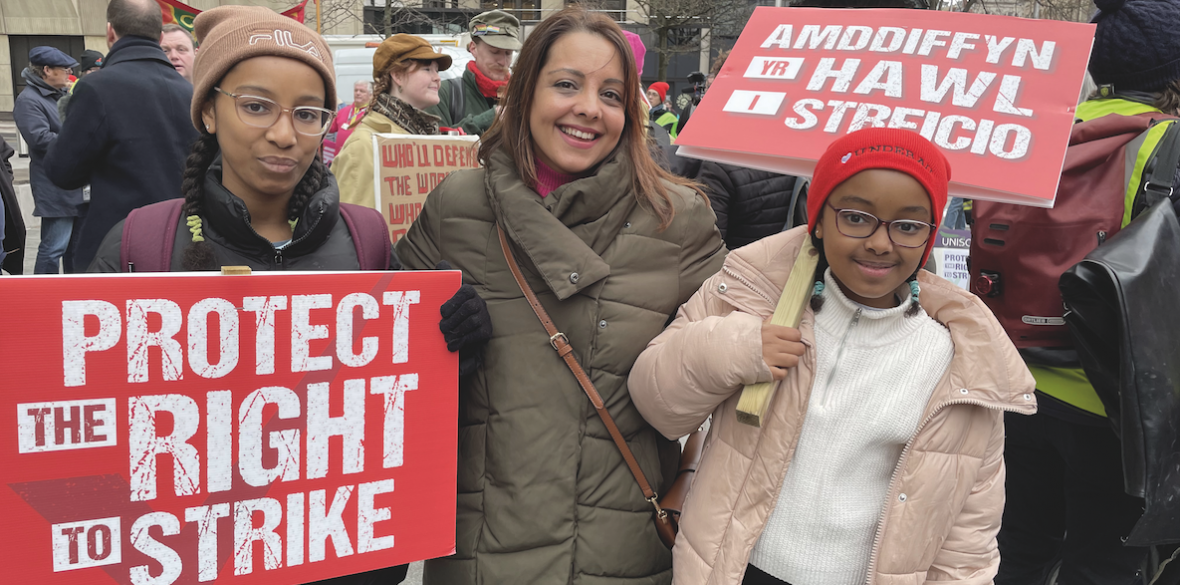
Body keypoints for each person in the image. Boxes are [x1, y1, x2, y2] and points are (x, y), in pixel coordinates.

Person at [395, 7, 726, 584]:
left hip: (622, 554)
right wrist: (435, 350)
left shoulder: (680, 219)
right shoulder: (456, 206)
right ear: (526, 92)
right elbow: (378, 380)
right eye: (567, 84)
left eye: (613, 94)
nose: (589, 109)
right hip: (479, 552)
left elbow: (732, 383)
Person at [629, 128, 1038, 585]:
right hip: (733, 571)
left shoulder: (959, 364)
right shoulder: (749, 300)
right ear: (819, 220)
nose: (880, 243)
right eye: (856, 217)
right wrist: (736, 347)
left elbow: (969, 534)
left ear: (929, 235)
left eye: (907, 226)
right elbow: (655, 401)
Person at [993, 0, 1178, 581]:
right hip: (1116, 406)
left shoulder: (1039, 136)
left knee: (1017, 548)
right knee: (1103, 562)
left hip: (1016, 386)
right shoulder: (1165, 145)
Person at [44, 0, 198, 273]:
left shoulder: (96, 88)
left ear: (110, 33)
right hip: (182, 243)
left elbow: (63, 172)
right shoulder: (192, 96)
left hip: (117, 246)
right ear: (160, 37)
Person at [332, 34, 450, 209]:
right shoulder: (364, 146)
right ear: (398, 76)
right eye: (427, 69)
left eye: (437, 71)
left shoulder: (423, 137)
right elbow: (356, 230)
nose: (437, 78)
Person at [14, 47, 87, 274]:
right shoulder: (29, 100)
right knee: (54, 246)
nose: (69, 73)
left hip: (74, 183)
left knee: (76, 247)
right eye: (64, 69)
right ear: (47, 70)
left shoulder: (62, 95)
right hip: (53, 185)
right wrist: (78, 139)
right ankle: (42, 296)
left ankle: (75, 293)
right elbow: (39, 138)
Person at [423, 10, 519, 135]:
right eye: (494, 52)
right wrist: (488, 119)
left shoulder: (521, 97)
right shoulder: (445, 94)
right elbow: (433, 146)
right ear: (473, 48)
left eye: (508, 53)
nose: (502, 61)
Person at [322, 79, 371, 165]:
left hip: (359, 161)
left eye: (362, 91)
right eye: (356, 90)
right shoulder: (344, 110)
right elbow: (330, 127)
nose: (358, 93)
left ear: (371, 95)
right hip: (340, 159)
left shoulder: (372, 114)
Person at [57, 49, 104, 122]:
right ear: (85, 71)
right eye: (95, 70)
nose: (100, 73)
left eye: (102, 69)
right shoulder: (77, 88)